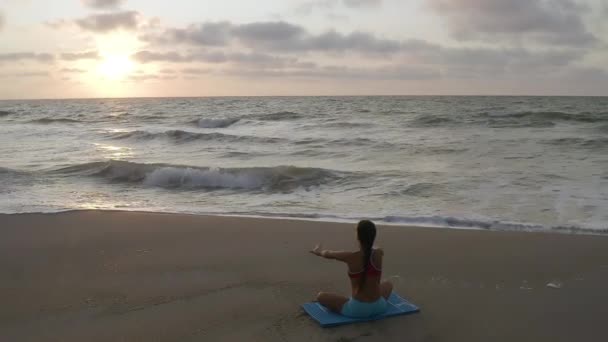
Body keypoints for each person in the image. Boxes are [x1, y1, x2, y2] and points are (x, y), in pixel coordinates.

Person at [310, 219, 393, 318]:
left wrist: (317, 251)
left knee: (321, 296)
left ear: (358, 236)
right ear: (373, 236)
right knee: (388, 283)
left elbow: (327, 253)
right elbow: (375, 249)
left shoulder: (350, 257)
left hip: (357, 310)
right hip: (380, 307)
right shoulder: (379, 253)